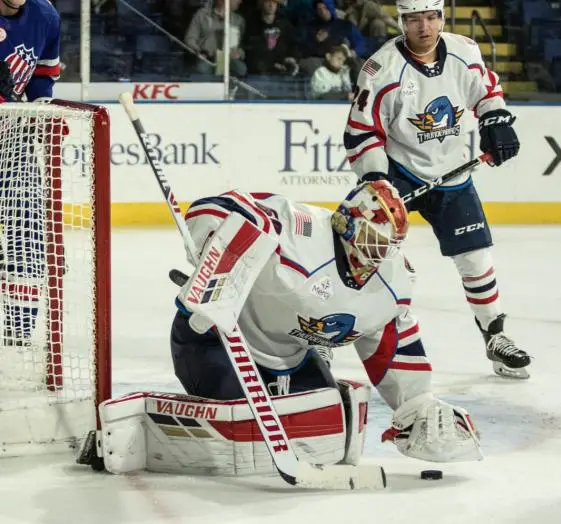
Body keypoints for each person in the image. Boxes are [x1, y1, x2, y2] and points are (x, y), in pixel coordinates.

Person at [96, 182, 482, 476]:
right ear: (346, 223)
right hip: (213, 340)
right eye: (371, 241)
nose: (376, 256)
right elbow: (218, 207)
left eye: (386, 247)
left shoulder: (392, 283)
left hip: (289, 359)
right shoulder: (297, 231)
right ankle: (154, 428)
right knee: (248, 441)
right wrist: (217, 246)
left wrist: (416, 403)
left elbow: (389, 341)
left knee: (328, 432)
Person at [343, 0, 531, 379]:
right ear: (402, 22)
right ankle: (328, 331)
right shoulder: (381, 69)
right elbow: (362, 131)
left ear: (442, 18)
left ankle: (495, 336)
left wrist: (495, 118)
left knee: (476, 260)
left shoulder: (465, 51)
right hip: (398, 173)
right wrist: (377, 182)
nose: (424, 27)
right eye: (414, 19)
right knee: (364, 255)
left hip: (453, 175)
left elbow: (486, 89)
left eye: (431, 17)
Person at [0, 0, 61, 346]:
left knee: (28, 228)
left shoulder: (45, 15)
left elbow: (42, 76)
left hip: (13, 138)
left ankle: (20, 326)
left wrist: (40, 109)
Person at [184, 0, 248, 78]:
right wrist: (199, 51)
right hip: (207, 58)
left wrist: (239, 53)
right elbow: (190, 38)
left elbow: (241, 45)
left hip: (227, 59)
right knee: (202, 68)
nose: (240, 1)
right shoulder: (202, 15)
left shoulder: (238, 20)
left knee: (241, 69)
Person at [242, 0, 300, 77]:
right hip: (261, 67)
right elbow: (253, 50)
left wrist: (292, 58)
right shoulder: (253, 24)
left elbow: (293, 44)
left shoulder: (285, 24)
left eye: (274, 2)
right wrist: (272, 64)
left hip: (283, 63)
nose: (271, 5)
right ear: (261, 3)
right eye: (267, 1)